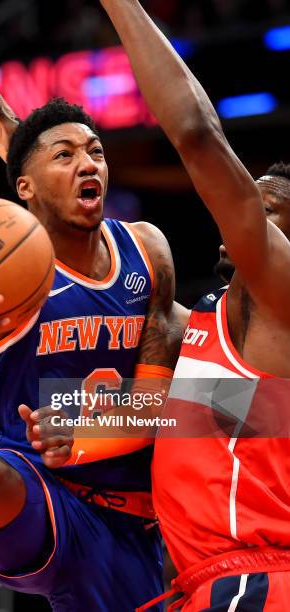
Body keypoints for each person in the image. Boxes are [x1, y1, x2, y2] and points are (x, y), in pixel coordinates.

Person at [0, 78, 184, 610]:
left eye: (95, 151)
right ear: (24, 187)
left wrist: (87, 420)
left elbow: (171, 397)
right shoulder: (13, 275)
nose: (88, 163)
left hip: (126, 518)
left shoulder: (145, 249)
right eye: (65, 155)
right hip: (35, 494)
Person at [94, 0, 290, 610]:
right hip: (202, 584)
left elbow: (199, 136)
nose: (245, 215)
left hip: (254, 579)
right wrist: (28, 159)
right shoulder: (217, 333)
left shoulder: (282, 295)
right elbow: (173, 410)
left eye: (271, 210)